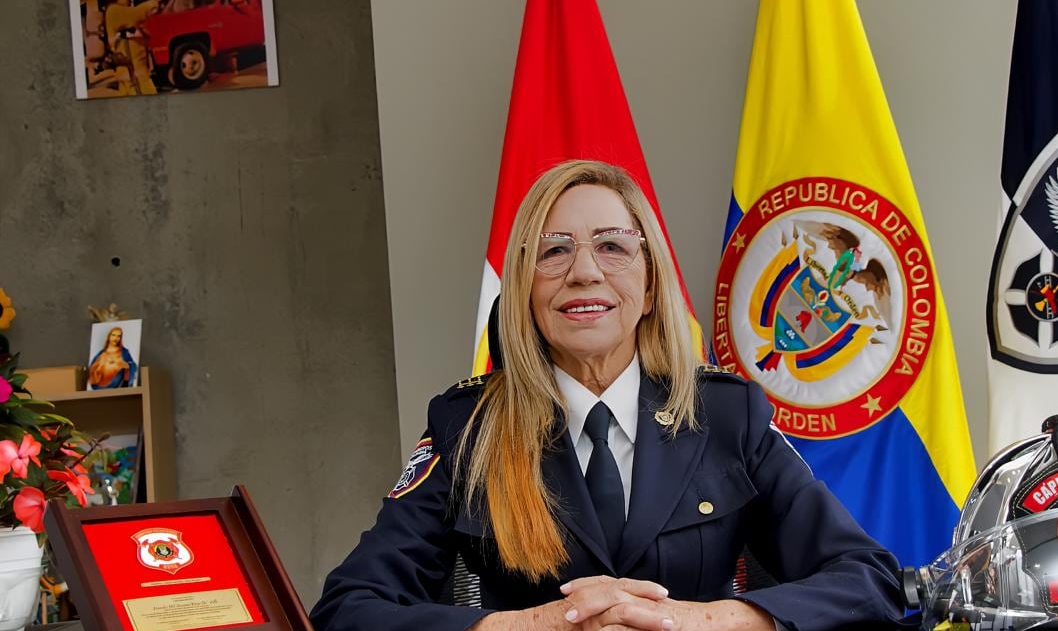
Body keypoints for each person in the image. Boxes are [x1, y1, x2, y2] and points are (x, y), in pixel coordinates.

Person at [310, 160, 905, 631]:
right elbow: (350, 606)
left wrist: (691, 621)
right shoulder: (466, 427)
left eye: (613, 246)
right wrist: (540, 625)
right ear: (523, 290)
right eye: (554, 250)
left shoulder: (728, 416)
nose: (585, 272)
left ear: (649, 286)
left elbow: (868, 580)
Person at [102, 0, 160, 95]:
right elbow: (136, 14)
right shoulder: (114, 10)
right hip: (135, 74)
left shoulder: (117, 11)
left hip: (130, 72)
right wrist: (154, 3)